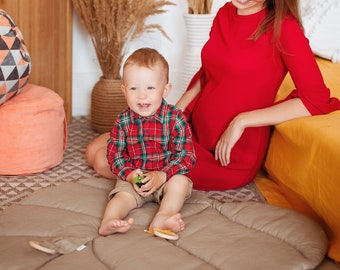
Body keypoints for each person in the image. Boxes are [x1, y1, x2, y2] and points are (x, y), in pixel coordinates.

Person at [86, 0, 340, 191]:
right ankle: (155, 177)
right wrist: (173, 114)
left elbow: (315, 99)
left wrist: (241, 121)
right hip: (192, 128)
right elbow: (207, 73)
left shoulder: (284, 28)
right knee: (94, 148)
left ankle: (152, 184)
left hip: (228, 155)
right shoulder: (225, 13)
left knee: (102, 161)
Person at [97, 47, 196, 236]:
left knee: (180, 183)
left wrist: (163, 175)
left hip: (165, 177)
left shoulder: (176, 119)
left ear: (165, 90)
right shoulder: (123, 121)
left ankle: (162, 218)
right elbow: (114, 155)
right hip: (136, 178)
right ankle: (109, 221)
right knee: (121, 197)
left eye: (150, 88)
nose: (142, 95)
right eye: (134, 88)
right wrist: (130, 175)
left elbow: (186, 156)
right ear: (124, 91)